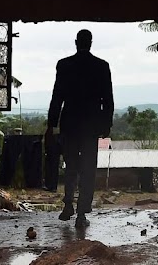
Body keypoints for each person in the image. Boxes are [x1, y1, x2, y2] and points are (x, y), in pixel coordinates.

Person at [47, 29, 114, 228]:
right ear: (90, 43)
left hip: (70, 124)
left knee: (71, 166)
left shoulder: (64, 65)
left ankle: (68, 204)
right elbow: (107, 99)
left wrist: (51, 124)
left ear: (76, 42)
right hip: (90, 126)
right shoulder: (101, 66)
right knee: (88, 169)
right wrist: (106, 124)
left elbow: (57, 96)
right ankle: (81, 213)